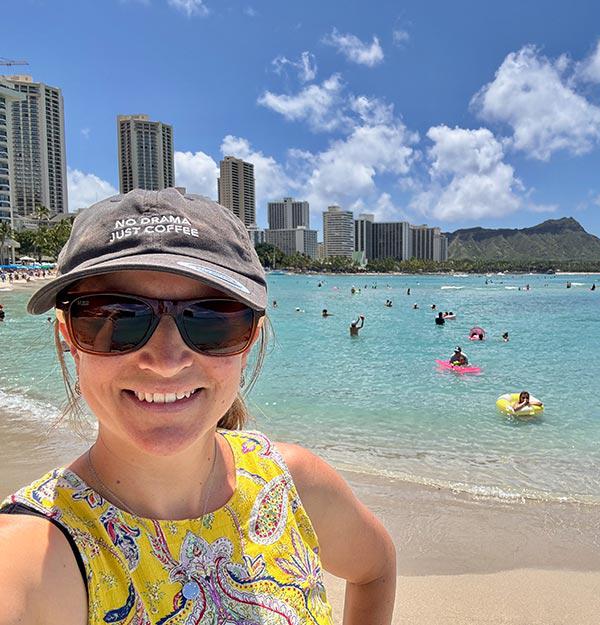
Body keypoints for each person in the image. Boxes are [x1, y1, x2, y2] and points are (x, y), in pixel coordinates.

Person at [0, 189, 395, 624]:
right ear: (69, 338)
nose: (167, 361)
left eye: (211, 320)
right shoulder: (34, 551)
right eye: (118, 316)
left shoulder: (291, 485)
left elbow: (375, 569)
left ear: (249, 340)